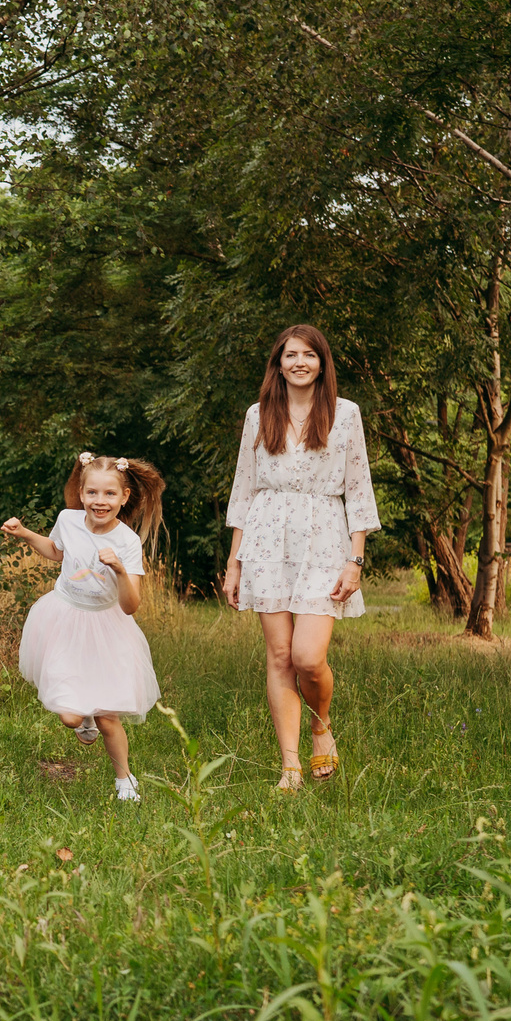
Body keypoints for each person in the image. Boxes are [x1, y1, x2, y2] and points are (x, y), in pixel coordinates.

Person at [220, 323, 381, 790]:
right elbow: (244, 490)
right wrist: (234, 563)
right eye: (290, 355)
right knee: (280, 656)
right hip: (266, 539)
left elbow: (358, 490)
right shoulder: (258, 415)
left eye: (309, 355)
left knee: (308, 658)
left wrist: (355, 561)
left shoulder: (345, 414)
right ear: (278, 364)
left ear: (322, 364)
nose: (299, 362)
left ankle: (320, 724)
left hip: (325, 540)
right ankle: (289, 766)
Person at [0, 453, 167, 804]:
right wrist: (24, 533)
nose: (99, 501)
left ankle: (125, 780)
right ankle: (84, 715)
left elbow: (130, 606)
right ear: (81, 493)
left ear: (124, 497)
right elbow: (56, 551)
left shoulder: (126, 542)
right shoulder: (68, 519)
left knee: (107, 718)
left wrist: (119, 570)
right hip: (64, 618)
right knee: (70, 717)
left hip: (106, 628)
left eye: (109, 494)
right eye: (92, 493)